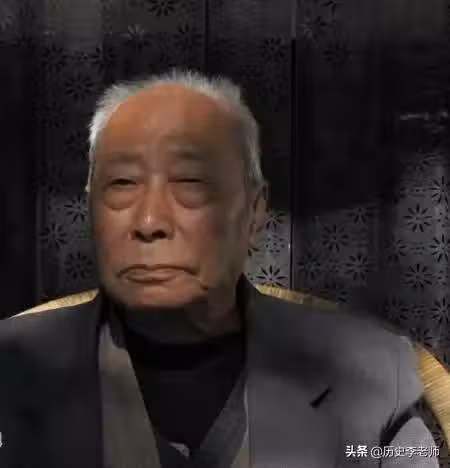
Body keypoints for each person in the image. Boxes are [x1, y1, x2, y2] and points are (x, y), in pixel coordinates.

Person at [0, 69, 438, 468]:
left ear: (254, 212)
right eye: (121, 184)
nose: (149, 222)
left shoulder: (371, 375)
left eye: (191, 184)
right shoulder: (11, 370)